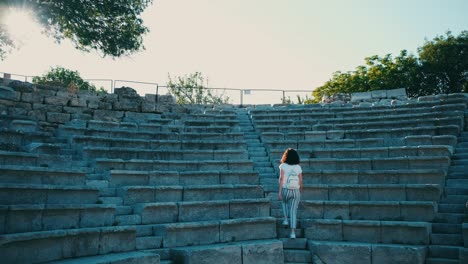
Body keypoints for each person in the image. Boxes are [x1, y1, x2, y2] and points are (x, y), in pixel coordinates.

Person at [278, 148, 303, 239]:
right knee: (293, 211)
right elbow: (300, 180)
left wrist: (280, 192)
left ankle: (285, 219)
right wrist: (300, 191)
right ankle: (293, 233)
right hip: (295, 191)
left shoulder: (283, 166)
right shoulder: (298, 167)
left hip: (285, 189)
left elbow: (281, 179)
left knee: (284, 202)